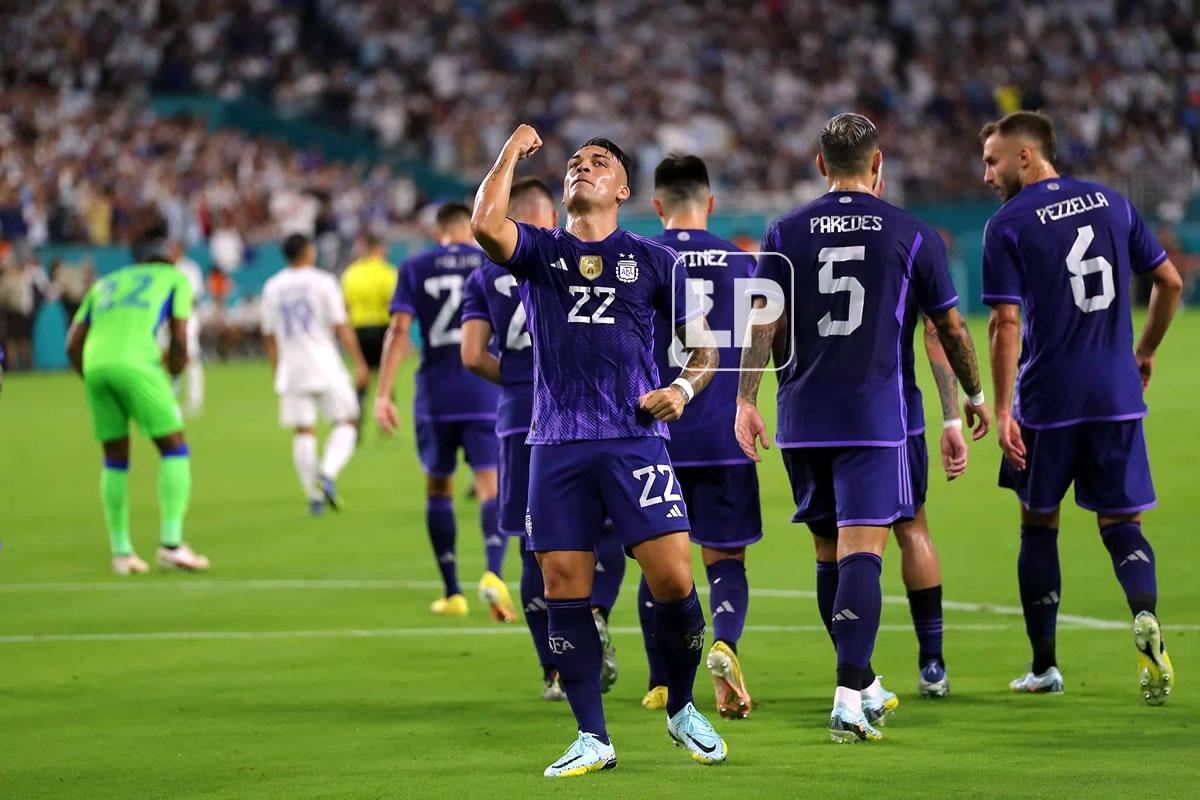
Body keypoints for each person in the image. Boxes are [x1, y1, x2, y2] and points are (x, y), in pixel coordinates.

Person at [472, 125, 727, 777]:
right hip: (556, 442)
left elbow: (706, 350)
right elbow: (483, 224)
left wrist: (681, 389)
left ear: (622, 188)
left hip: (635, 439)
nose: (583, 168)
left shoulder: (653, 260)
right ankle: (592, 735)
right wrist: (508, 154)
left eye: (599, 163)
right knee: (566, 589)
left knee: (672, 578)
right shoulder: (541, 251)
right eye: (576, 163)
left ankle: (682, 707)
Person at [736, 113, 989, 743]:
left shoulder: (784, 230)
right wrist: (974, 396)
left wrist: (745, 400)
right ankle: (848, 697)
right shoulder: (911, 233)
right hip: (874, 419)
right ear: (878, 165)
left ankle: (864, 677)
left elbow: (761, 321)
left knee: (828, 553)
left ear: (820, 165)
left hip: (801, 417)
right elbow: (951, 329)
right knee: (864, 552)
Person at [979, 111, 1183, 703]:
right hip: (1117, 394)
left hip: (1047, 400)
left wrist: (1004, 408)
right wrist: (1143, 353)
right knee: (1122, 524)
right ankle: (1143, 614)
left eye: (993, 160)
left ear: (1025, 156)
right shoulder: (1112, 202)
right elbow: (1169, 282)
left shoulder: (1008, 224)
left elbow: (1004, 320)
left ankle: (1044, 666)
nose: (986, 174)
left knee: (1038, 523)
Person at [460, 177, 627, 700]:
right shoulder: (572, 261)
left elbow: (470, 355)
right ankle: (596, 608)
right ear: (549, 215)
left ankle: (553, 671)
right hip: (584, 413)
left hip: (519, 420)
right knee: (610, 525)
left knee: (534, 545)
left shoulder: (486, 273)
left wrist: (514, 381)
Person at [641, 153, 761, 720]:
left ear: (656, 204)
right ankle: (725, 642)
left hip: (654, 432)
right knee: (725, 555)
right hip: (722, 432)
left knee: (657, 558)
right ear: (710, 203)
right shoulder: (745, 263)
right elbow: (771, 340)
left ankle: (662, 680)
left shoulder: (639, 258)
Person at [374, 204, 513, 622]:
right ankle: (493, 572)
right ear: (467, 228)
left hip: (436, 393)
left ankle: (453, 592)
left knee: (439, 489)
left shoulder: (416, 265)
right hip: (485, 388)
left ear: (438, 232)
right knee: (490, 486)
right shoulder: (490, 261)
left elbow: (399, 330)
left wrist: (383, 394)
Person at [64, 216, 209, 574]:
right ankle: (172, 545)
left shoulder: (107, 282)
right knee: (174, 446)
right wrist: (175, 369)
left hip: (96, 365)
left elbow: (72, 343)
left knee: (115, 455)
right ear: (169, 255)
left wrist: (94, 375)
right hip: (137, 363)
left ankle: (121, 553)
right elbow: (179, 333)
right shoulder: (176, 278)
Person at [261, 233, 368, 516]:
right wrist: (359, 361)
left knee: (303, 431)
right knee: (348, 421)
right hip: (325, 364)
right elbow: (341, 325)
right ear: (308, 252)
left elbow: (269, 336)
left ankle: (314, 496)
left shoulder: (272, 287)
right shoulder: (323, 282)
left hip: (292, 368)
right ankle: (327, 472)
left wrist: (277, 371)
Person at [341, 232, 397, 420]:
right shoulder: (387, 272)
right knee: (385, 374)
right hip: (382, 328)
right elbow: (392, 303)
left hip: (358, 330)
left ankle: (356, 414)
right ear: (379, 249)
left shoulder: (351, 273)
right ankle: (387, 416)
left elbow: (345, 306)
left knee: (362, 374)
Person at [168, 242, 205, 417]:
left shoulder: (190, 269)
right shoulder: (165, 268)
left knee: (191, 356)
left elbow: (195, 295)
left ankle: (195, 400)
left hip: (187, 317)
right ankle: (171, 399)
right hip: (167, 319)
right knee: (168, 357)